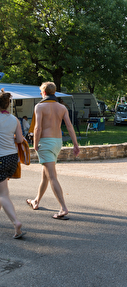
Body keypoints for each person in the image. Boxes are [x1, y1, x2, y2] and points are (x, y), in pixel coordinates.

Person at [26, 82, 79, 220]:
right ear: (54, 92)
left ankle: (63, 208)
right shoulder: (61, 107)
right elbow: (69, 126)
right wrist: (75, 144)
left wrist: (35, 144)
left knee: (52, 176)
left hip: (45, 143)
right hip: (57, 142)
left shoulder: (39, 106)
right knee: (46, 175)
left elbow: (37, 128)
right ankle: (36, 201)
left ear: (43, 92)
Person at [0, 88, 25, 238]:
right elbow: (20, 140)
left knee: (3, 194)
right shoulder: (14, 119)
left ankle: (16, 222)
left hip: (0, 158)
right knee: (3, 191)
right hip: (11, 158)